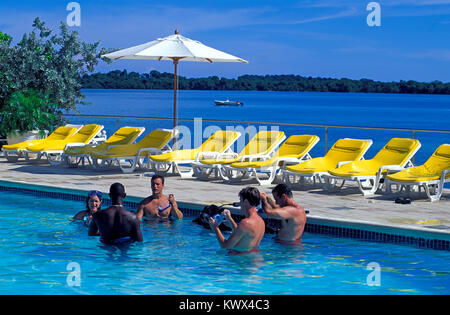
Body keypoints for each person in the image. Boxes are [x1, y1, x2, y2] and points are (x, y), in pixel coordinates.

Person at [208, 186, 265, 255]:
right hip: (253, 261)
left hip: (240, 263)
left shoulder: (246, 223)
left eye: (240, 200)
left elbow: (225, 246)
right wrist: (229, 218)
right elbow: (241, 233)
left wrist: (216, 228)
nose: (239, 204)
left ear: (246, 202)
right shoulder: (261, 222)